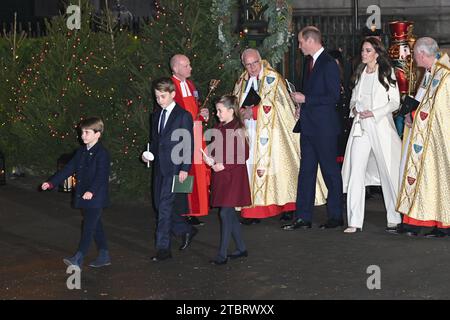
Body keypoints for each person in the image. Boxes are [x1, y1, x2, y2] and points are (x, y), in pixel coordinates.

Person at [233, 48, 327, 225]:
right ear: (243, 64)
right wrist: (239, 113)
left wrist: (253, 112)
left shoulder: (273, 78)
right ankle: (252, 209)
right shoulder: (241, 81)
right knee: (250, 168)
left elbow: (282, 106)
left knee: (280, 168)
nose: (252, 68)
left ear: (261, 60)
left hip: (273, 134)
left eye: (255, 63)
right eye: (248, 64)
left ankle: (286, 206)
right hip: (249, 132)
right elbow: (235, 102)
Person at [283, 26, 343, 231]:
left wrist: (306, 98)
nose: (299, 46)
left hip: (324, 128)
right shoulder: (310, 62)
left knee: (330, 172)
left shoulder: (328, 63)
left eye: (300, 42)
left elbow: (334, 97)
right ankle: (303, 217)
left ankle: (336, 216)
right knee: (306, 172)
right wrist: (302, 106)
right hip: (309, 126)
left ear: (310, 41)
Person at [341, 37, 402, 233]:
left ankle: (394, 217)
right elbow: (353, 99)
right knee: (356, 170)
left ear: (376, 53)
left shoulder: (386, 72)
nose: (363, 54)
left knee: (387, 171)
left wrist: (374, 112)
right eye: (363, 50)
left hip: (380, 126)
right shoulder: (359, 72)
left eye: (367, 50)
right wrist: (355, 110)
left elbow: (394, 102)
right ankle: (354, 220)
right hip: (360, 127)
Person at [396, 37, 450, 237]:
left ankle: (443, 224)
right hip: (425, 137)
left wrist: (413, 115)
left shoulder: (444, 75)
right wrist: (411, 112)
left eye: (414, 53)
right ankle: (417, 220)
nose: (412, 57)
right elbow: (423, 103)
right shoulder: (431, 73)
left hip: (439, 140)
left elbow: (438, 111)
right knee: (425, 178)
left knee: (438, 178)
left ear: (421, 54)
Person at [41, 117, 111, 269]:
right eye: (82, 132)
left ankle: (78, 257)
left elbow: (101, 176)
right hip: (83, 194)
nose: (83, 136)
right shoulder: (80, 152)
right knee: (95, 225)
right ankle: (104, 255)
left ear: (97, 134)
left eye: (87, 132)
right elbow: (68, 169)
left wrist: (92, 191)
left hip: (96, 196)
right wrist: (52, 182)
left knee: (88, 226)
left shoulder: (102, 153)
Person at [142, 77, 196, 261]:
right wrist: (148, 154)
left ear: (173, 94)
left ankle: (163, 249)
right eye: (157, 97)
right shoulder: (156, 115)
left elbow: (188, 143)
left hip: (175, 167)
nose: (159, 100)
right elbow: (155, 141)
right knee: (159, 205)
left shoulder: (183, 115)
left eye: (163, 96)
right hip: (159, 167)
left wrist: (184, 168)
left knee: (164, 207)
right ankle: (185, 229)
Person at [205, 95, 251, 265]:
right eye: (216, 110)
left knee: (225, 213)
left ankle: (222, 254)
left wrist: (223, 165)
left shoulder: (238, 128)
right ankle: (241, 248)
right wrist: (209, 158)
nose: (217, 114)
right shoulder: (219, 127)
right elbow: (215, 150)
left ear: (231, 111)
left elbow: (243, 155)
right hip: (222, 178)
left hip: (233, 178)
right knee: (229, 214)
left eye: (220, 110)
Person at [170, 54, 210, 226]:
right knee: (183, 172)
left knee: (197, 173)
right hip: (182, 137)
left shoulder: (191, 85)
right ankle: (182, 212)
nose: (190, 68)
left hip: (197, 134)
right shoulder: (170, 87)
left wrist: (203, 114)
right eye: (186, 66)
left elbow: (195, 108)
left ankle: (193, 210)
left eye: (189, 65)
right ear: (175, 68)